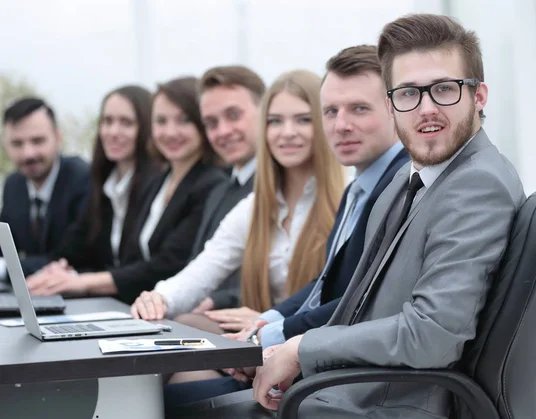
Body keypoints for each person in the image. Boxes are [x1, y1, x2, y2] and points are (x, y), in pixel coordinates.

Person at [174, 13, 526, 419]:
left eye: (444, 89)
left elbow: (432, 335)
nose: (426, 108)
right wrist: (279, 351)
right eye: (408, 93)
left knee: (162, 406)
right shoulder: (412, 180)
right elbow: (358, 303)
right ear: (393, 104)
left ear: (479, 96)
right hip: (349, 388)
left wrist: (302, 349)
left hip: (383, 404)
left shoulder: (476, 184)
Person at [162, 44, 412, 411]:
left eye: (359, 108)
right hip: (304, 350)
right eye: (331, 112)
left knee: (173, 395)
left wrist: (272, 336)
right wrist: (268, 326)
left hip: (333, 368)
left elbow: (364, 304)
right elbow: (325, 287)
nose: (342, 124)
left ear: (393, 110)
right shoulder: (360, 189)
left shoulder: (384, 186)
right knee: (178, 355)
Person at [130, 70, 346, 334]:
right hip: (264, 344)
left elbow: (346, 302)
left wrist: (270, 321)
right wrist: (159, 298)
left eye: (303, 120)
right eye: (275, 121)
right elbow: (205, 268)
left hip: (315, 349)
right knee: (177, 338)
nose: (287, 133)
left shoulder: (349, 198)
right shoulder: (254, 206)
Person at [27, 77, 227, 304]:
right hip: (136, 308)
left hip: (171, 310)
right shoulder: (160, 183)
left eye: (183, 121)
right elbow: (128, 260)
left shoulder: (211, 184)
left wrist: (82, 282)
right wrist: (68, 275)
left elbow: (170, 264)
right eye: (161, 121)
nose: (170, 132)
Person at [23, 85, 157, 277]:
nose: (113, 131)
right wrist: (61, 272)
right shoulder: (102, 185)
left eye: (126, 123)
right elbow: (73, 253)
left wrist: (82, 282)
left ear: (146, 127)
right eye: (107, 121)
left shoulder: (157, 185)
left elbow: (146, 267)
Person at [182, 66, 265, 318]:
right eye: (212, 123)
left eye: (234, 115)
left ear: (265, 110)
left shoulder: (285, 191)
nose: (223, 131)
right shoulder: (219, 191)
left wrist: (215, 300)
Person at [0, 98, 90, 278]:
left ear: (58, 138)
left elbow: (70, 257)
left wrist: (4, 269)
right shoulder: (13, 185)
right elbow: (5, 246)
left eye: (38, 141)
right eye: (17, 144)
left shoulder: (82, 178)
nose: (28, 153)